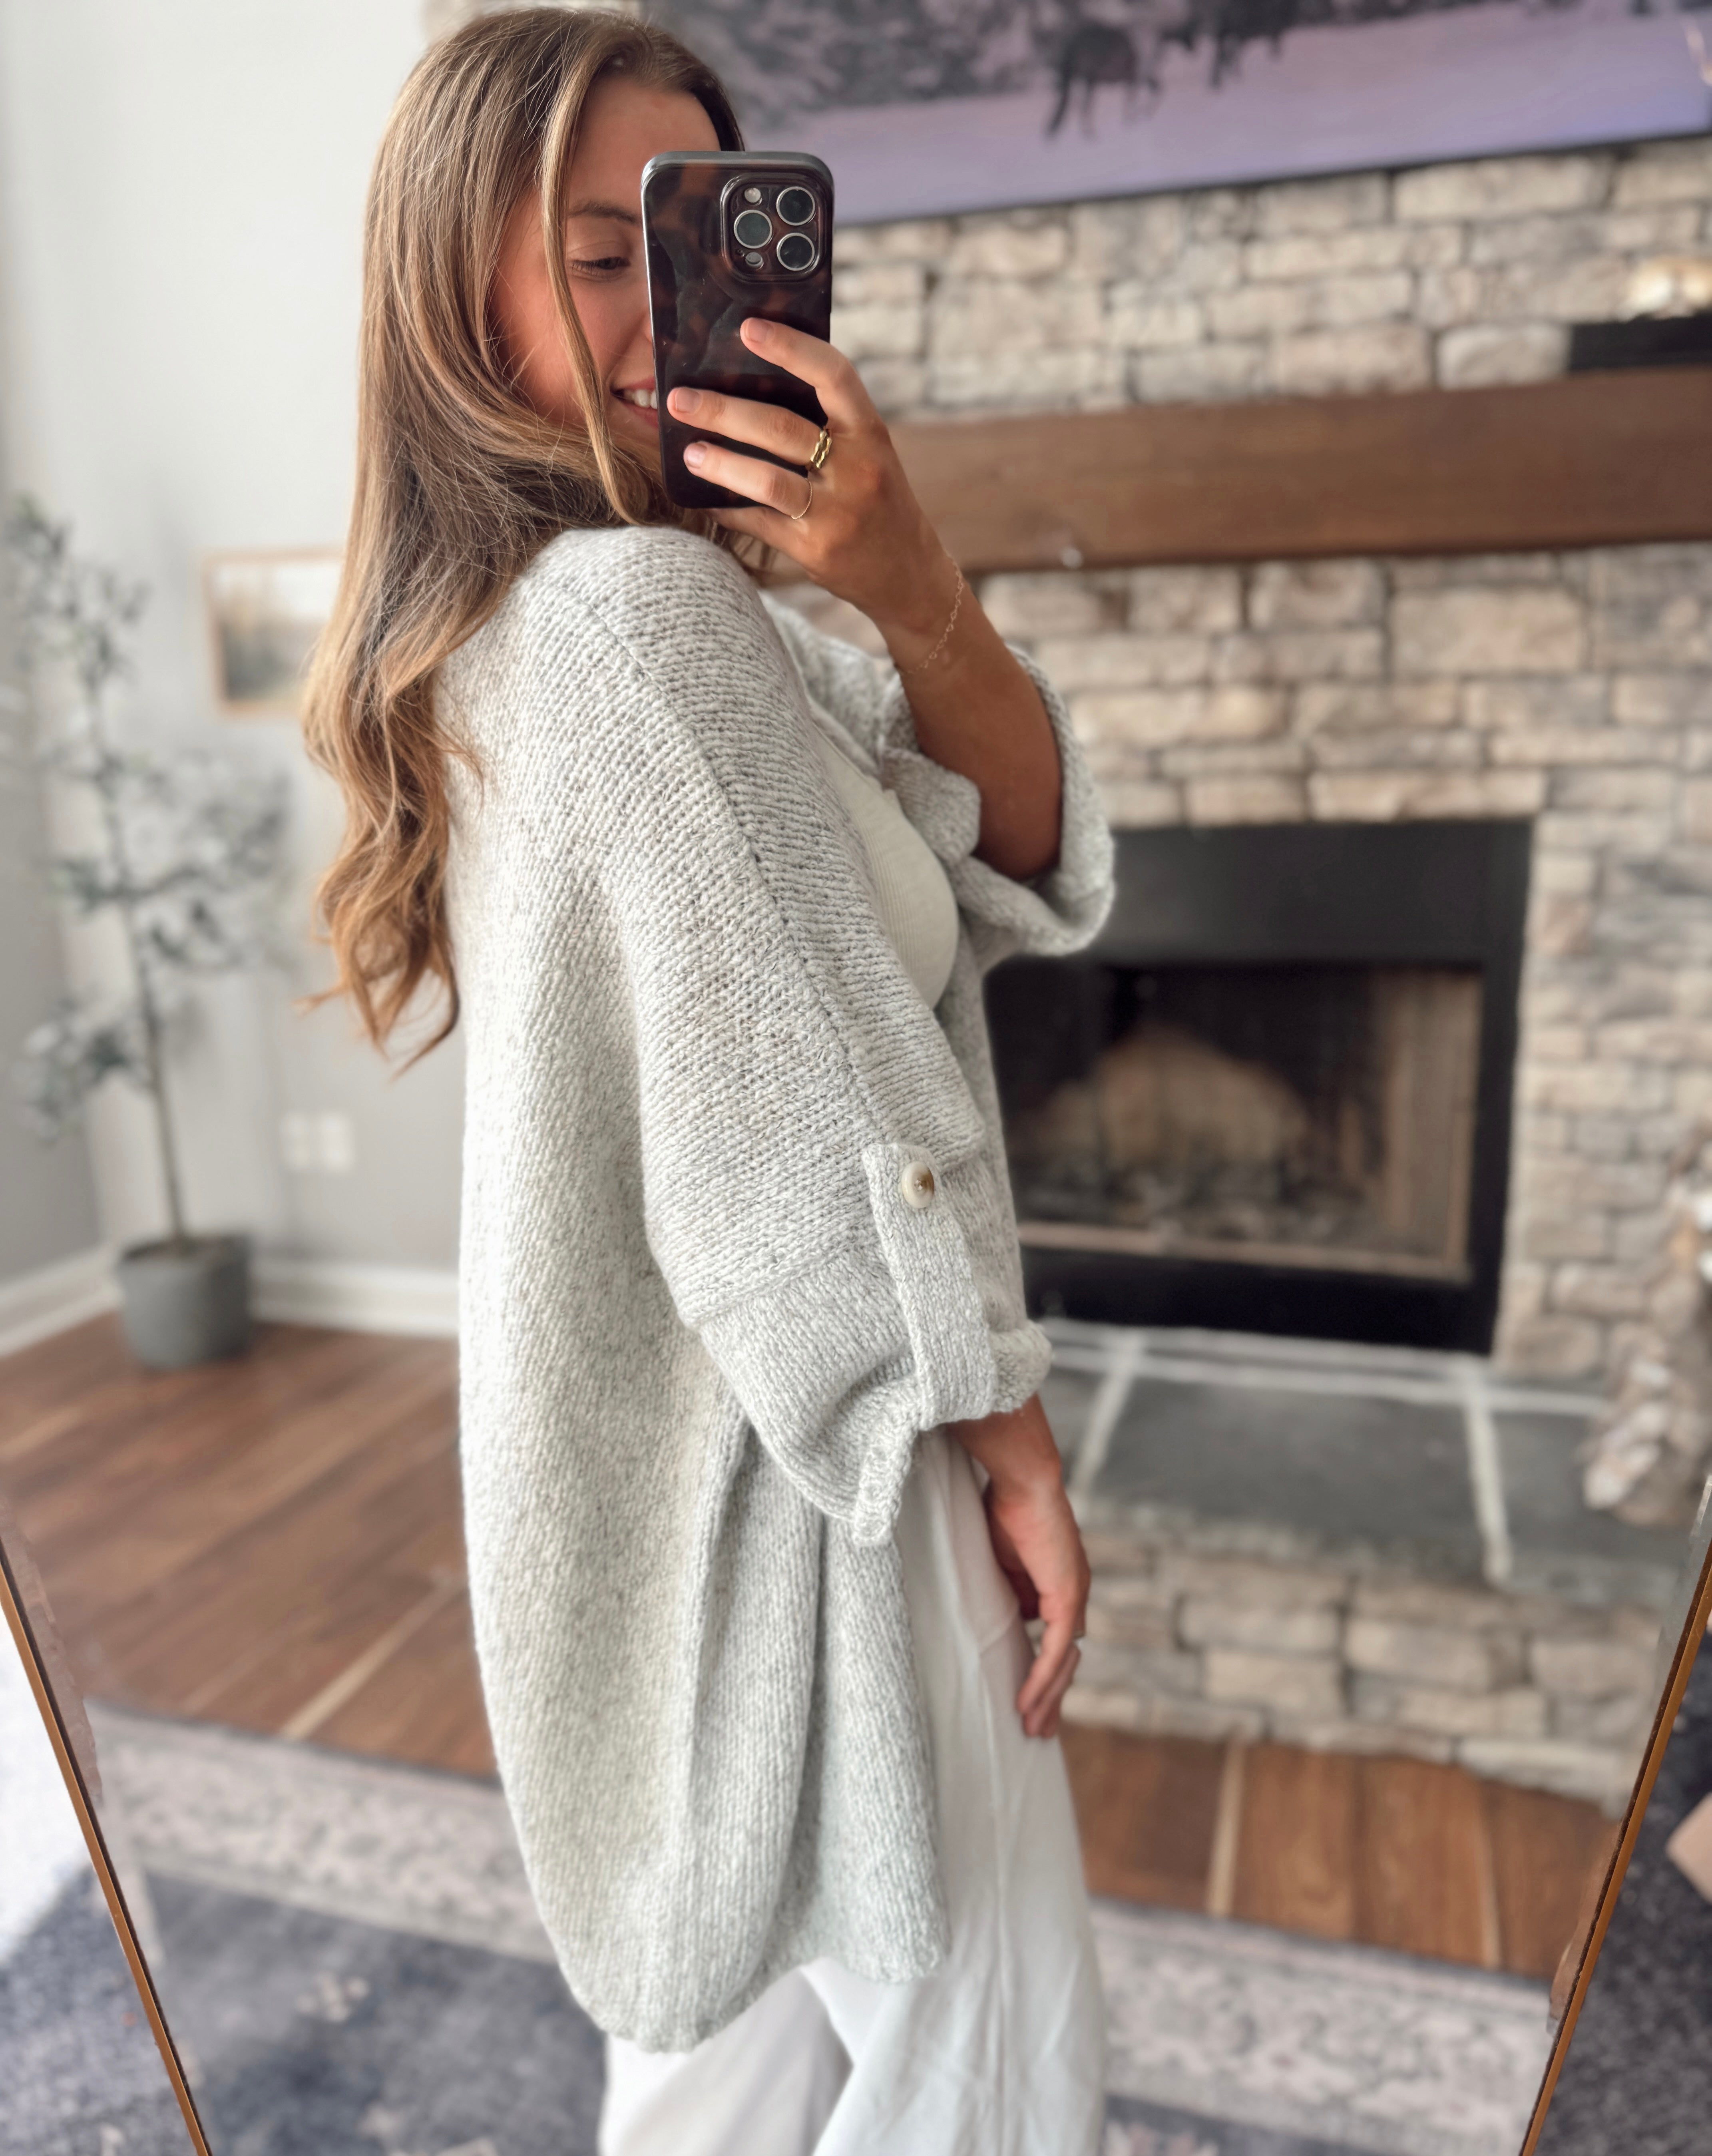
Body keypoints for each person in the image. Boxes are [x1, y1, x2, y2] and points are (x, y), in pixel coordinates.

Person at [305, 11, 1115, 2154]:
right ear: (450, 292)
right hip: (834, 1463)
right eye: (603, 256)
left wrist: (910, 586)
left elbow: (1008, 862)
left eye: (692, 243)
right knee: (989, 2070)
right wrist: (1013, 1439)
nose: (667, 317)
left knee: (721, 2067)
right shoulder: (633, 623)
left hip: (669, 1463)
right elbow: (819, 1123)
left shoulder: (573, 623)